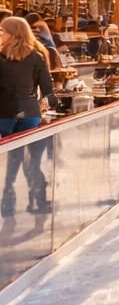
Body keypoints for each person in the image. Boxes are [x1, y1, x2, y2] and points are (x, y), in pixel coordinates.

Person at [0, 17, 54, 216]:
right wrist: (47, 104)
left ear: (13, 34)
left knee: (12, 157)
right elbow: (48, 91)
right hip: (30, 113)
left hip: (5, 114)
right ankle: (39, 200)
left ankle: (8, 201)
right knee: (32, 159)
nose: (0, 35)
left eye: (2, 31)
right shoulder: (37, 57)